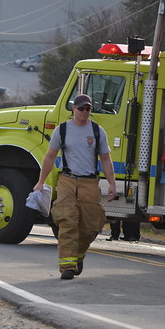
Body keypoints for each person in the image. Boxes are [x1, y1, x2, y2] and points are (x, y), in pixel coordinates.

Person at [33, 94, 116, 280]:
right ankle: (67, 267)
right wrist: (40, 182)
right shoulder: (62, 130)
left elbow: (105, 158)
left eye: (88, 109)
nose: (85, 112)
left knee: (90, 226)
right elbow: (49, 157)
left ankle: (77, 257)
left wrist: (112, 183)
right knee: (67, 220)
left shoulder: (97, 131)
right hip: (67, 181)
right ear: (73, 109)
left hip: (89, 183)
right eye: (81, 108)